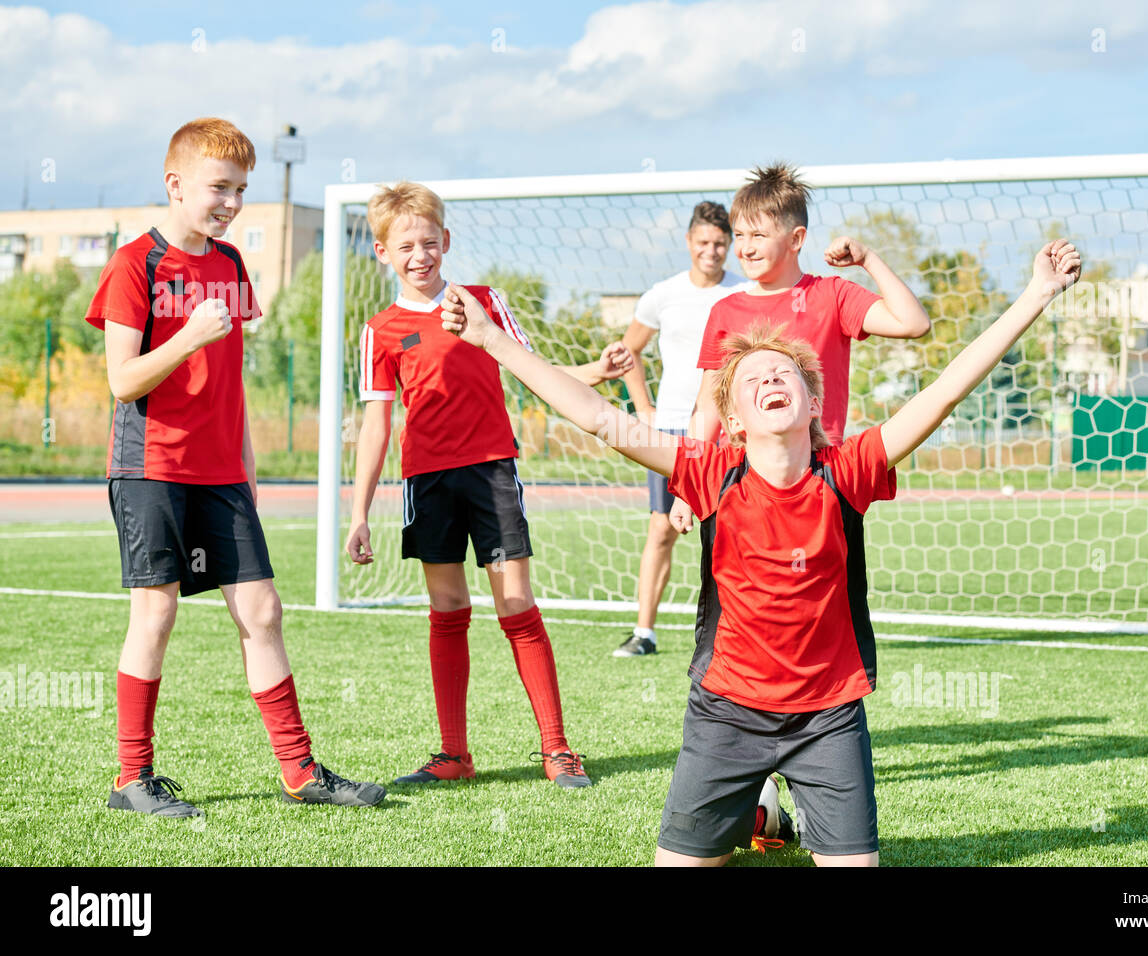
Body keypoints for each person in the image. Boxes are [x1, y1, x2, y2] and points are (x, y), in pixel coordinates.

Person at [439, 238, 1082, 865]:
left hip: (828, 716)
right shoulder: (710, 470)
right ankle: (760, 812)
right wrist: (492, 339)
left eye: (783, 373)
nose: (770, 377)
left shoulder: (848, 469)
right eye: (752, 378)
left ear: (813, 404)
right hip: (726, 711)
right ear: (734, 420)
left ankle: (772, 809)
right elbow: (599, 418)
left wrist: (1037, 293)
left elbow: (943, 392)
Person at [87, 117, 385, 816]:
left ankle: (300, 771)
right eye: (219, 187)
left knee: (262, 610)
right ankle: (132, 777)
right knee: (157, 612)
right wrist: (189, 336)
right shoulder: (134, 264)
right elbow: (122, 381)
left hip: (222, 472)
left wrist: (247, 464)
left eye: (242, 190)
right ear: (176, 183)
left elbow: (233, 378)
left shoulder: (230, 265)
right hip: (150, 465)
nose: (231, 202)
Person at [346, 181, 631, 788]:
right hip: (427, 481)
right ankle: (454, 754)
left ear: (446, 240)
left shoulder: (481, 302)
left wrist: (596, 371)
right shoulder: (381, 330)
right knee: (448, 608)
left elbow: (534, 370)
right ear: (382, 252)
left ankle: (557, 748)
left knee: (515, 604)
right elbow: (376, 424)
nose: (420, 255)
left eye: (429, 242)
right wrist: (359, 512)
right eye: (405, 246)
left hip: (491, 471)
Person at [669, 162, 932, 535]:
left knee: (831, 575)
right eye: (739, 235)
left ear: (796, 239)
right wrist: (686, 488)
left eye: (758, 235)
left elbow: (913, 323)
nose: (745, 248)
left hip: (819, 479)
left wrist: (868, 260)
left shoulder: (832, 295)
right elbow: (709, 406)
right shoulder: (725, 312)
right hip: (741, 480)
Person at [613, 201, 749, 657]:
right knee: (661, 529)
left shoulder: (743, 291)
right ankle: (644, 633)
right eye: (704, 242)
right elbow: (628, 351)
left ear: (729, 246)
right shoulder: (662, 295)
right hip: (672, 430)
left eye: (720, 243)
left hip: (729, 430)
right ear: (689, 241)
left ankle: (741, 634)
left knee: (735, 530)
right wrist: (644, 408)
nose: (712, 251)